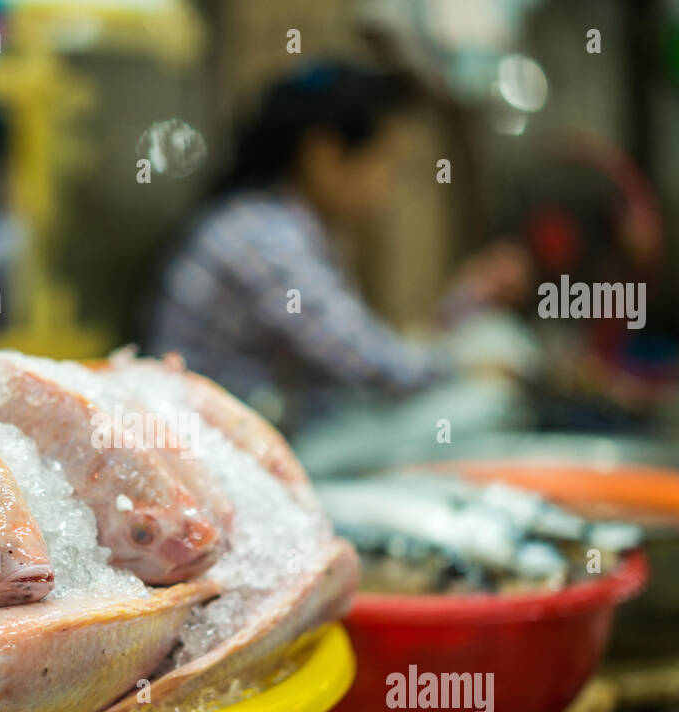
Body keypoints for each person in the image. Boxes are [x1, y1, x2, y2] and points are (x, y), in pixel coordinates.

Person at [144, 62, 530, 436]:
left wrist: (466, 301)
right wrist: (470, 367)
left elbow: (369, 349)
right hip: (227, 445)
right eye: (387, 163)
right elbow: (375, 366)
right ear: (324, 155)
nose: (389, 186)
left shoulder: (274, 223)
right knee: (485, 399)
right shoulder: (265, 238)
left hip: (273, 425)